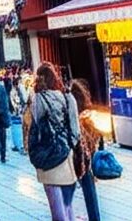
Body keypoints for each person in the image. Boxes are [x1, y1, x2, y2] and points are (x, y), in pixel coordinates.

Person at [31, 62, 79, 221]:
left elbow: (35, 124)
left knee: (58, 213)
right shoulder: (67, 97)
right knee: (68, 208)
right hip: (66, 159)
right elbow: (75, 131)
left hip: (48, 159)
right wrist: (68, 146)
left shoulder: (39, 99)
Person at [70, 79, 102, 221]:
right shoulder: (89, 115)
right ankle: (94, 217)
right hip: (87, 157)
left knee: (67, 190)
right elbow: (96, 135)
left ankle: (69, 214)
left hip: (74, 157)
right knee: (89, 190)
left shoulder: (72, 114)